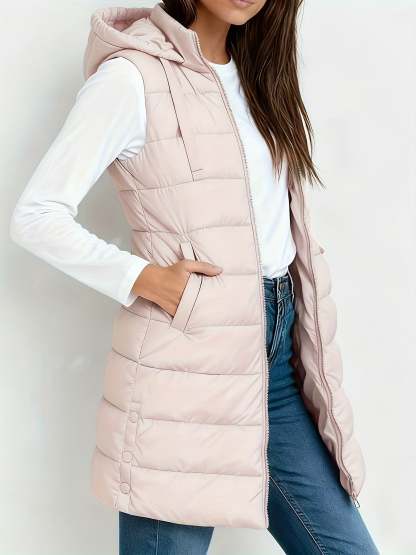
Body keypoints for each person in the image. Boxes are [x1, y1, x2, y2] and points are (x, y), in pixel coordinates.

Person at [9, 1, 380, 553]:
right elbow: (36, 215)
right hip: (185, 370)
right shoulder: (132, 77)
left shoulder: (260, 75)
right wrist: (142, 277)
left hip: (278, 368)